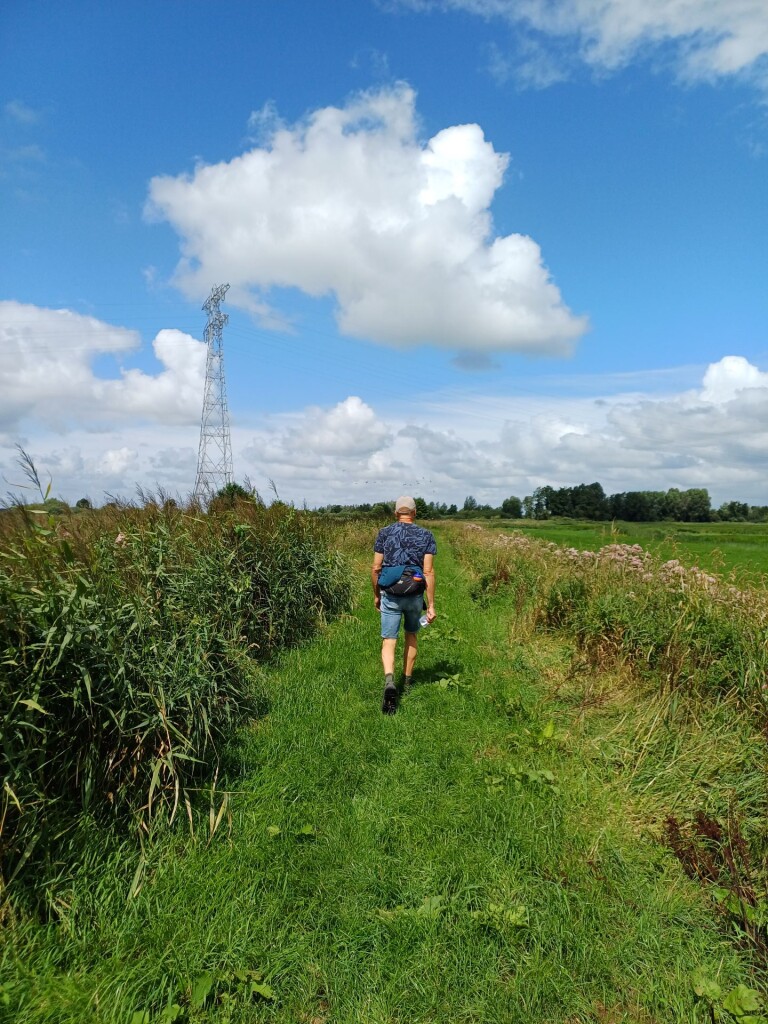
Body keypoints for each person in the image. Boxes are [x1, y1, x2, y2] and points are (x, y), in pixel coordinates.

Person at [371, 496, 437, 714]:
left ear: (395, 513)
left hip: (390, 591)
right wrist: (431, 605)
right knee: (411, 635)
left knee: (389, 641)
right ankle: (407, 684)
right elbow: (428, 571)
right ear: (415, 513)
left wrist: (377, 595)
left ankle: (390, 681)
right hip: (414, 592)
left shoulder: (384, 533)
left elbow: (376, 567)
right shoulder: (426, 535)